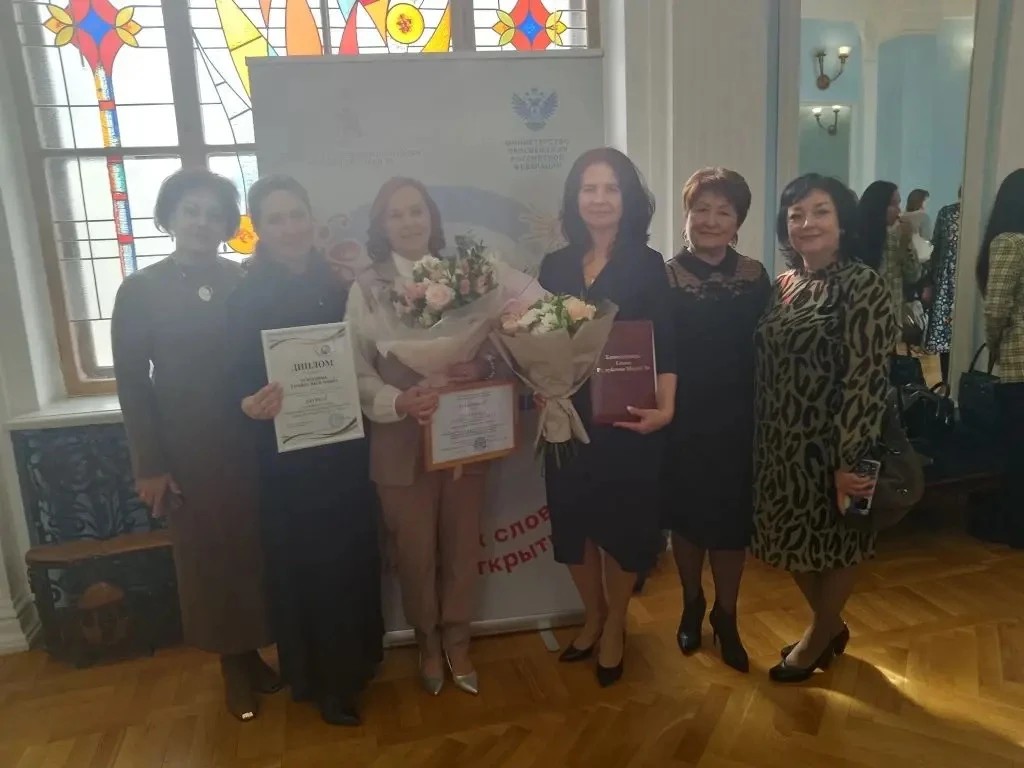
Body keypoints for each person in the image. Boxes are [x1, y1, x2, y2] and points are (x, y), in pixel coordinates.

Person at [111, 169, 277, 722]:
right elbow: (132, 384)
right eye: (191, 211)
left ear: (229, 223)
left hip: (252, 438)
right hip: (188, 446)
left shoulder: (244, 280)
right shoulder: (140, 290)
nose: (202, 222)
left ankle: (254, 651)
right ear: (170, 218)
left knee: (252, 550)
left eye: (214, 213)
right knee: (208, 556)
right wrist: (150, 465)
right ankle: (232, 663)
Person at [227, 174, 383, 726]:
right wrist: (250, 403)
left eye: (297, 215)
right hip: (287, 457)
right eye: (277, 219)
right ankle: (321, 679)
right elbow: (234, 378)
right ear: (259, 228)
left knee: (350, 557)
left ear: (312, 219)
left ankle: (357, 663)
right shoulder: (243, 297)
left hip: (344, 448)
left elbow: (368, 356)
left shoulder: (341, 285)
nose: (290, 227)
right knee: (307, 564)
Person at [348, 177, 496, 697]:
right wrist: (398, 400)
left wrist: (479, 364)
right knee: (414, 553)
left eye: (417, 211)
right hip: (399, 441)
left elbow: (497, 349)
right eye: (396, 214)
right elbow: (355, 369)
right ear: (381, 225)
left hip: (463, 434)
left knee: (461, 547)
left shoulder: (467, 279)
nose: (409, 222)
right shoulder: (366, 288)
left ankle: (458, 639)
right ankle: (427, 642)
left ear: (432, 217)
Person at [540, 147, 677, 687]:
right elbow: (537, 340)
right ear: (575, 199)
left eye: (611, 188)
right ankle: (592, 615)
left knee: (621, 523)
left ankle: (617, 622)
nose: (599, 199)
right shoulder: (554, 266)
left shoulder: (647, 263)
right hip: (566, 416)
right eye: (589, 189)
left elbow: (666, 339)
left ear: (628, 199)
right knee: (575, 522)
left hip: (627, 415)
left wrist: (666, 406)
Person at [753, 173, 897, 683]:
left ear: (843, 223)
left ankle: (817, 637)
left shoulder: (864, 285)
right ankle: (830, 626)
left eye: (820, 212)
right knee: (790, 542)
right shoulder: (784, 285)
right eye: (796, 215)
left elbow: (866, 379)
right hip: (780, 444)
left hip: (839, 442)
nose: (807, 223)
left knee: (838, 544)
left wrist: (848, 461)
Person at [661, 168, 770, 673]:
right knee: (685, 520)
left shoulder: (755, 276)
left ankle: (727, 615)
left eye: (723, 211)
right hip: (681, 419)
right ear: (686, 216)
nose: (710, 220)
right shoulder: (664, 277)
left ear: (737, 222)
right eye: (700, 209)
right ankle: (691, 602)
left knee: (730, 524)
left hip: (739, 420)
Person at [977, 168, 1024, 548]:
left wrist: (993, 346)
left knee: (1015, 450)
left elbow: (996, 308)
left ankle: (1013, 528)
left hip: (1018, 361)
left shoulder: (1009, 241)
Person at [859, 180, 920, 323]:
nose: (899, 210)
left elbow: (914, 276)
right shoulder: (857, 237)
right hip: (863, 316)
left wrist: (906, 244)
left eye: (899, 204)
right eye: (893, 204)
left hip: (892, 319)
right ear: (878, 206)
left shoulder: (897, 237)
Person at [924, 188, 962, 382]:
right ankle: (947, 383)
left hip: (955, 283)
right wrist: (930, 282)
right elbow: (937, 250)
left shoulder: (948, 214)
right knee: (945, 339)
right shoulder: (947, 213)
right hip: (946, 284)